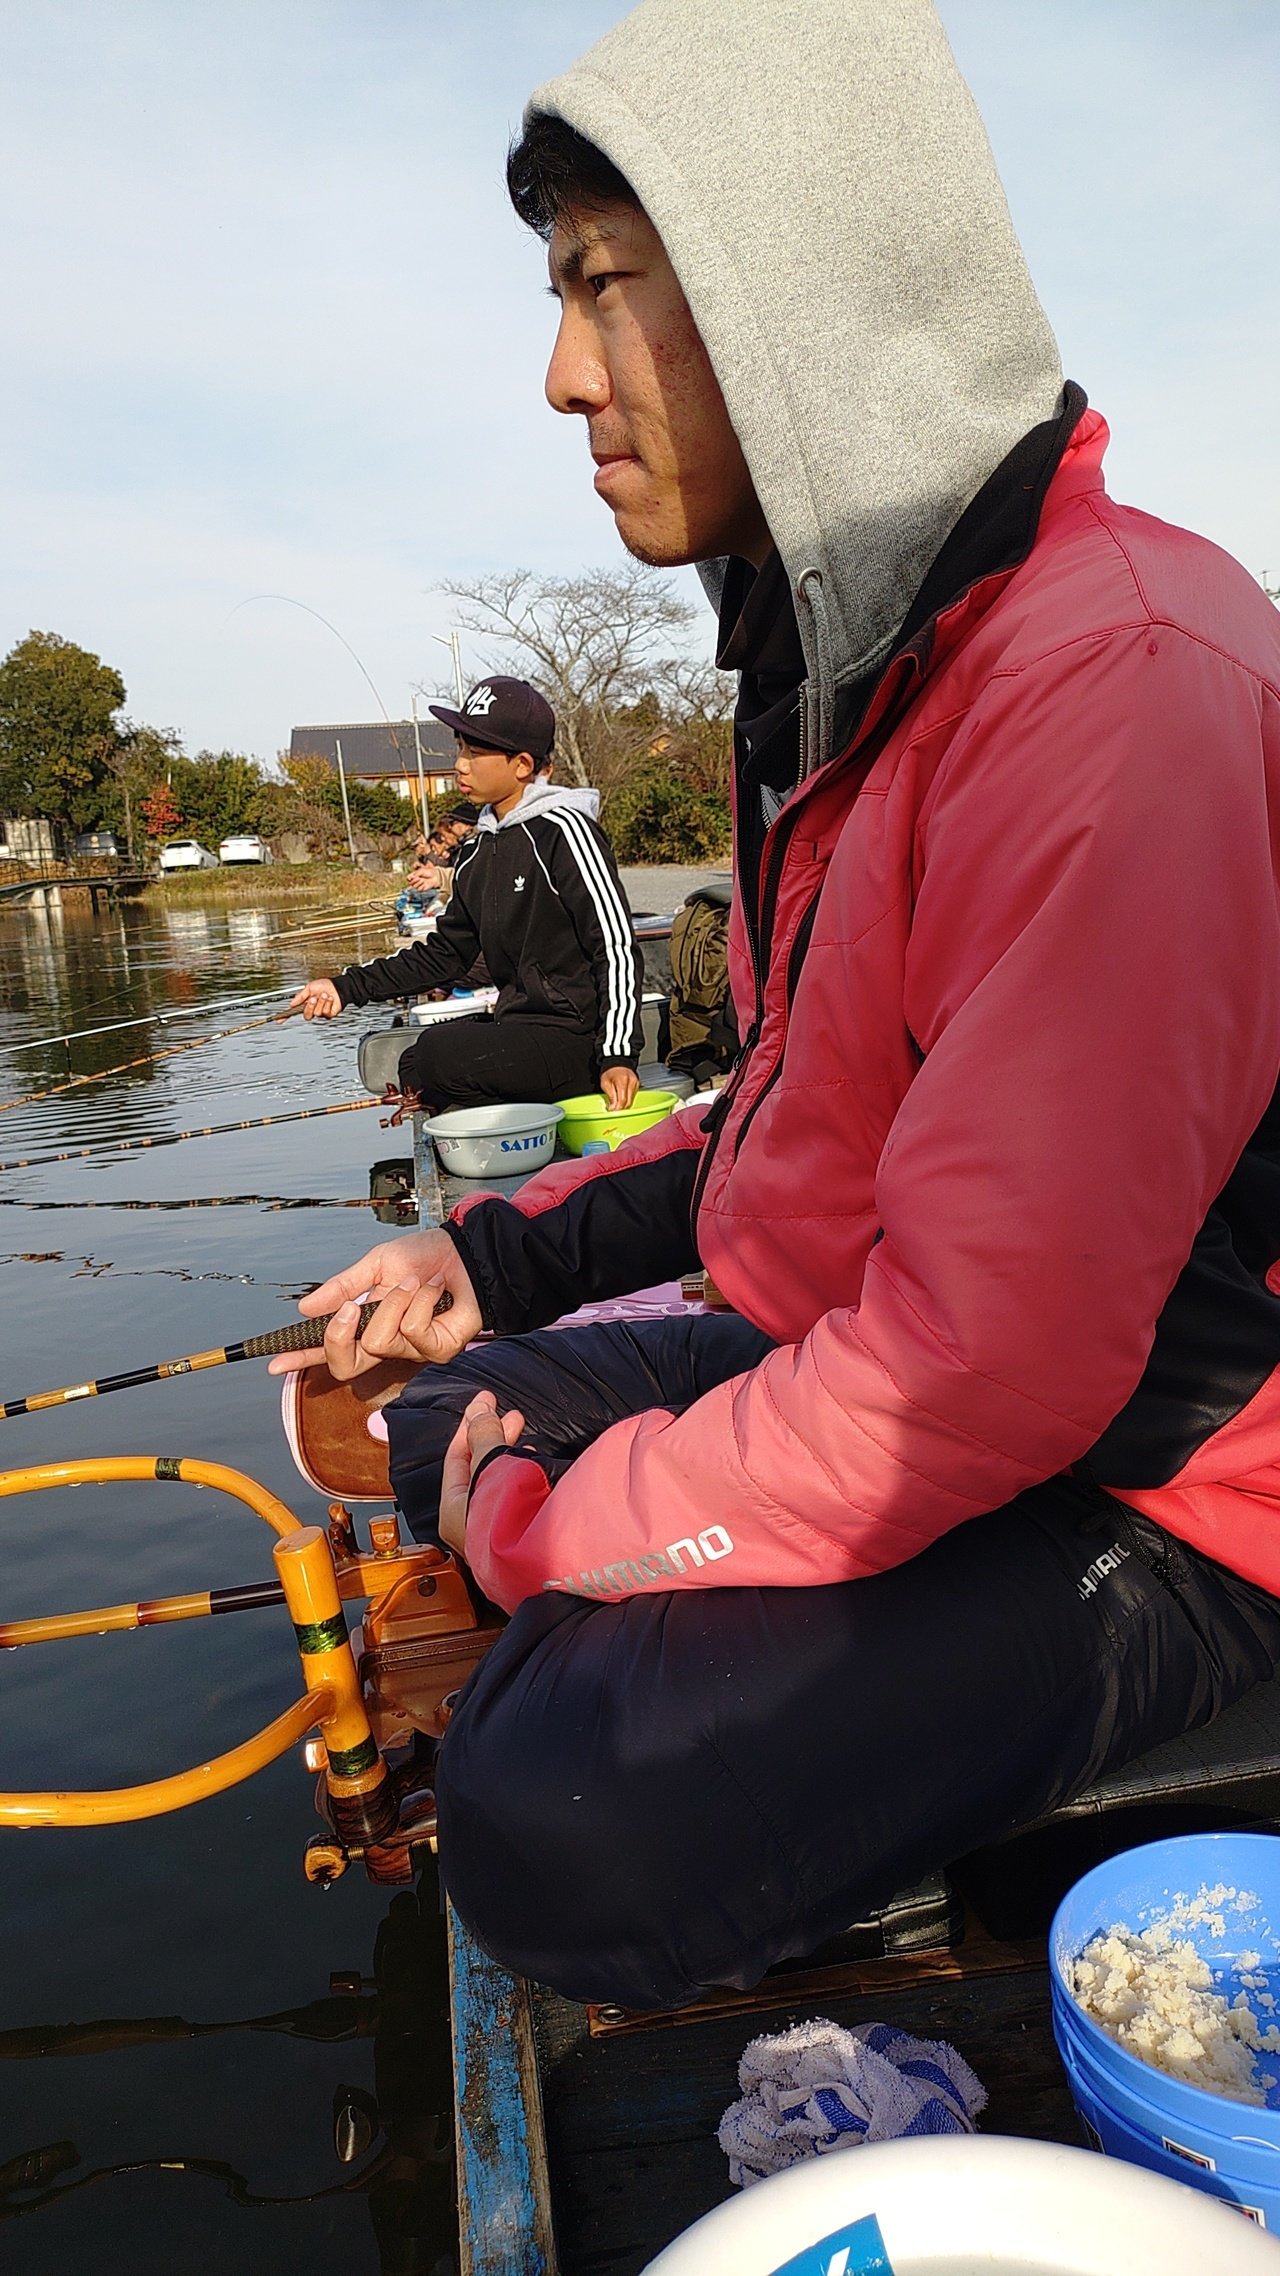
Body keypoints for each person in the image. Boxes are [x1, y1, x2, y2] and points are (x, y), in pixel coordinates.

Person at [273, 0, 1280, 2011]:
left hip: (1169, 1490)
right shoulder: (846, 694)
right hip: (917, 1377)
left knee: (563, 1815)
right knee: (428, 1410)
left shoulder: (1118, 680)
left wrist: (565, 1534)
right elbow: (782, 1136)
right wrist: (483, 1259)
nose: (562, 375)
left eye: (606, 288)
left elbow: (983, 1369)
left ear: (802, 299)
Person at [289, 678, 643, 1112]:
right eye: (460, 748)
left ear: (522, 764)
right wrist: (344, 988)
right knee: (415, 1058)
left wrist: (618, 1055)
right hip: (519, 1030)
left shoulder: (566, 832)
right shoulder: (478, 849)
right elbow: (445, 955)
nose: (460, 765)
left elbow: (616, 945)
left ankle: (514, 1117)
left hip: (578, 1039)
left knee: (439, 1055)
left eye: (474, 753)